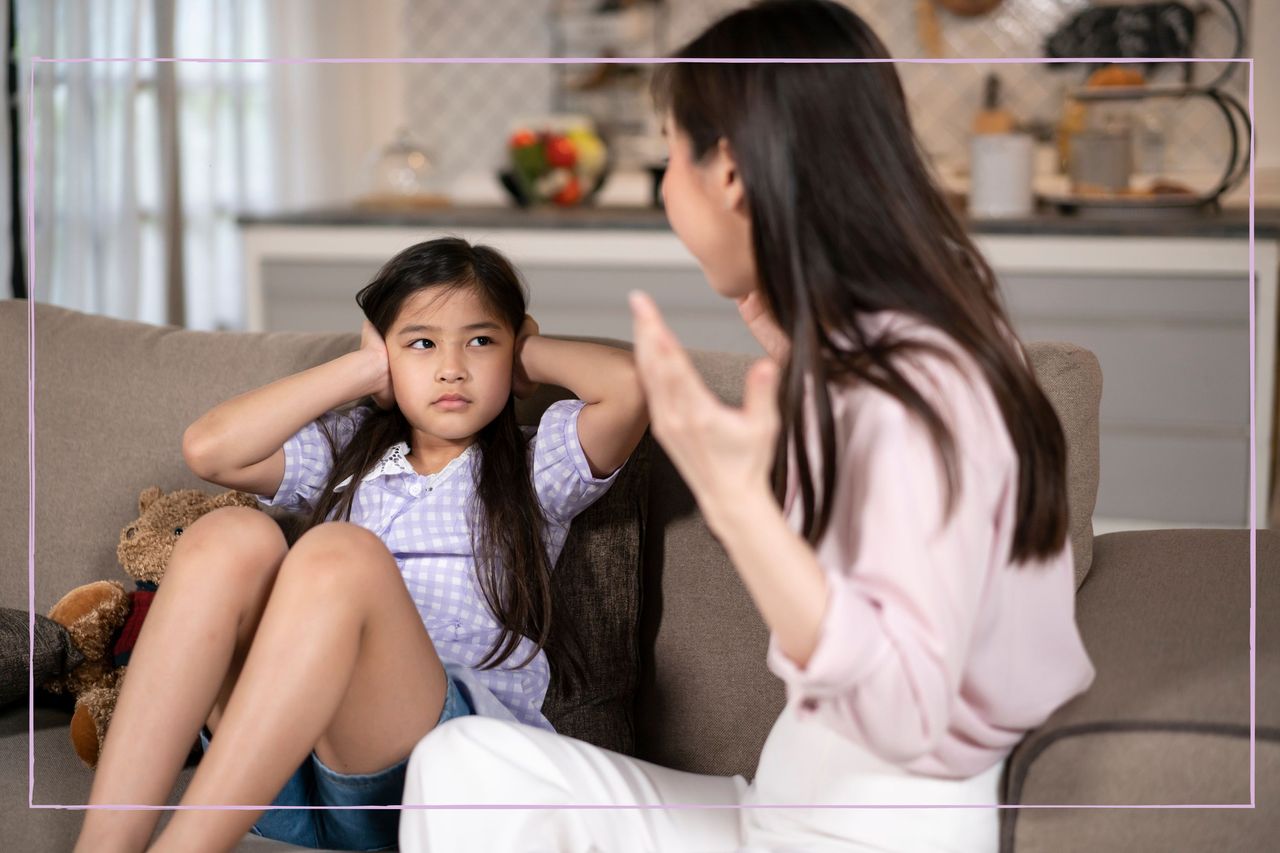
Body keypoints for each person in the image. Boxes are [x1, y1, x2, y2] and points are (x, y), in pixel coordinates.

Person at [396, 2, 1095, 851]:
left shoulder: (919, 384)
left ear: (728, 172)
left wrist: (736, 500)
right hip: (785, 798)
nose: (662, 188)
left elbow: (909, 708)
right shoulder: (889, 349)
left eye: (667, 155)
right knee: (464, 760)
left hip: (861, 833)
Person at [73, 237, 649, 853]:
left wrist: (524, 352)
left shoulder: (536, 469)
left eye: (480, 341)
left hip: (431, 776)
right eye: (421, 343)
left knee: (338, 556)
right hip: (281, 770)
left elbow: (631, 389)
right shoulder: (348, 452)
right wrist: (364, 369)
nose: (452, 367)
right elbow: (210, 449)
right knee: (227, 536)